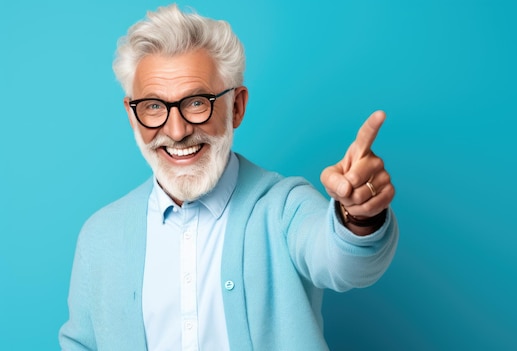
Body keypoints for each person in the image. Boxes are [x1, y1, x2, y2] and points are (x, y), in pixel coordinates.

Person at [59, 4, 399, 351]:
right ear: (133, 116)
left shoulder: (284, 207)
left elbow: (344, 264)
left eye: (196, 103)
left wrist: (360, 215)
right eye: (154, 106)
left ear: (236, 106)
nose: (176, 132)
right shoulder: (100, 236)